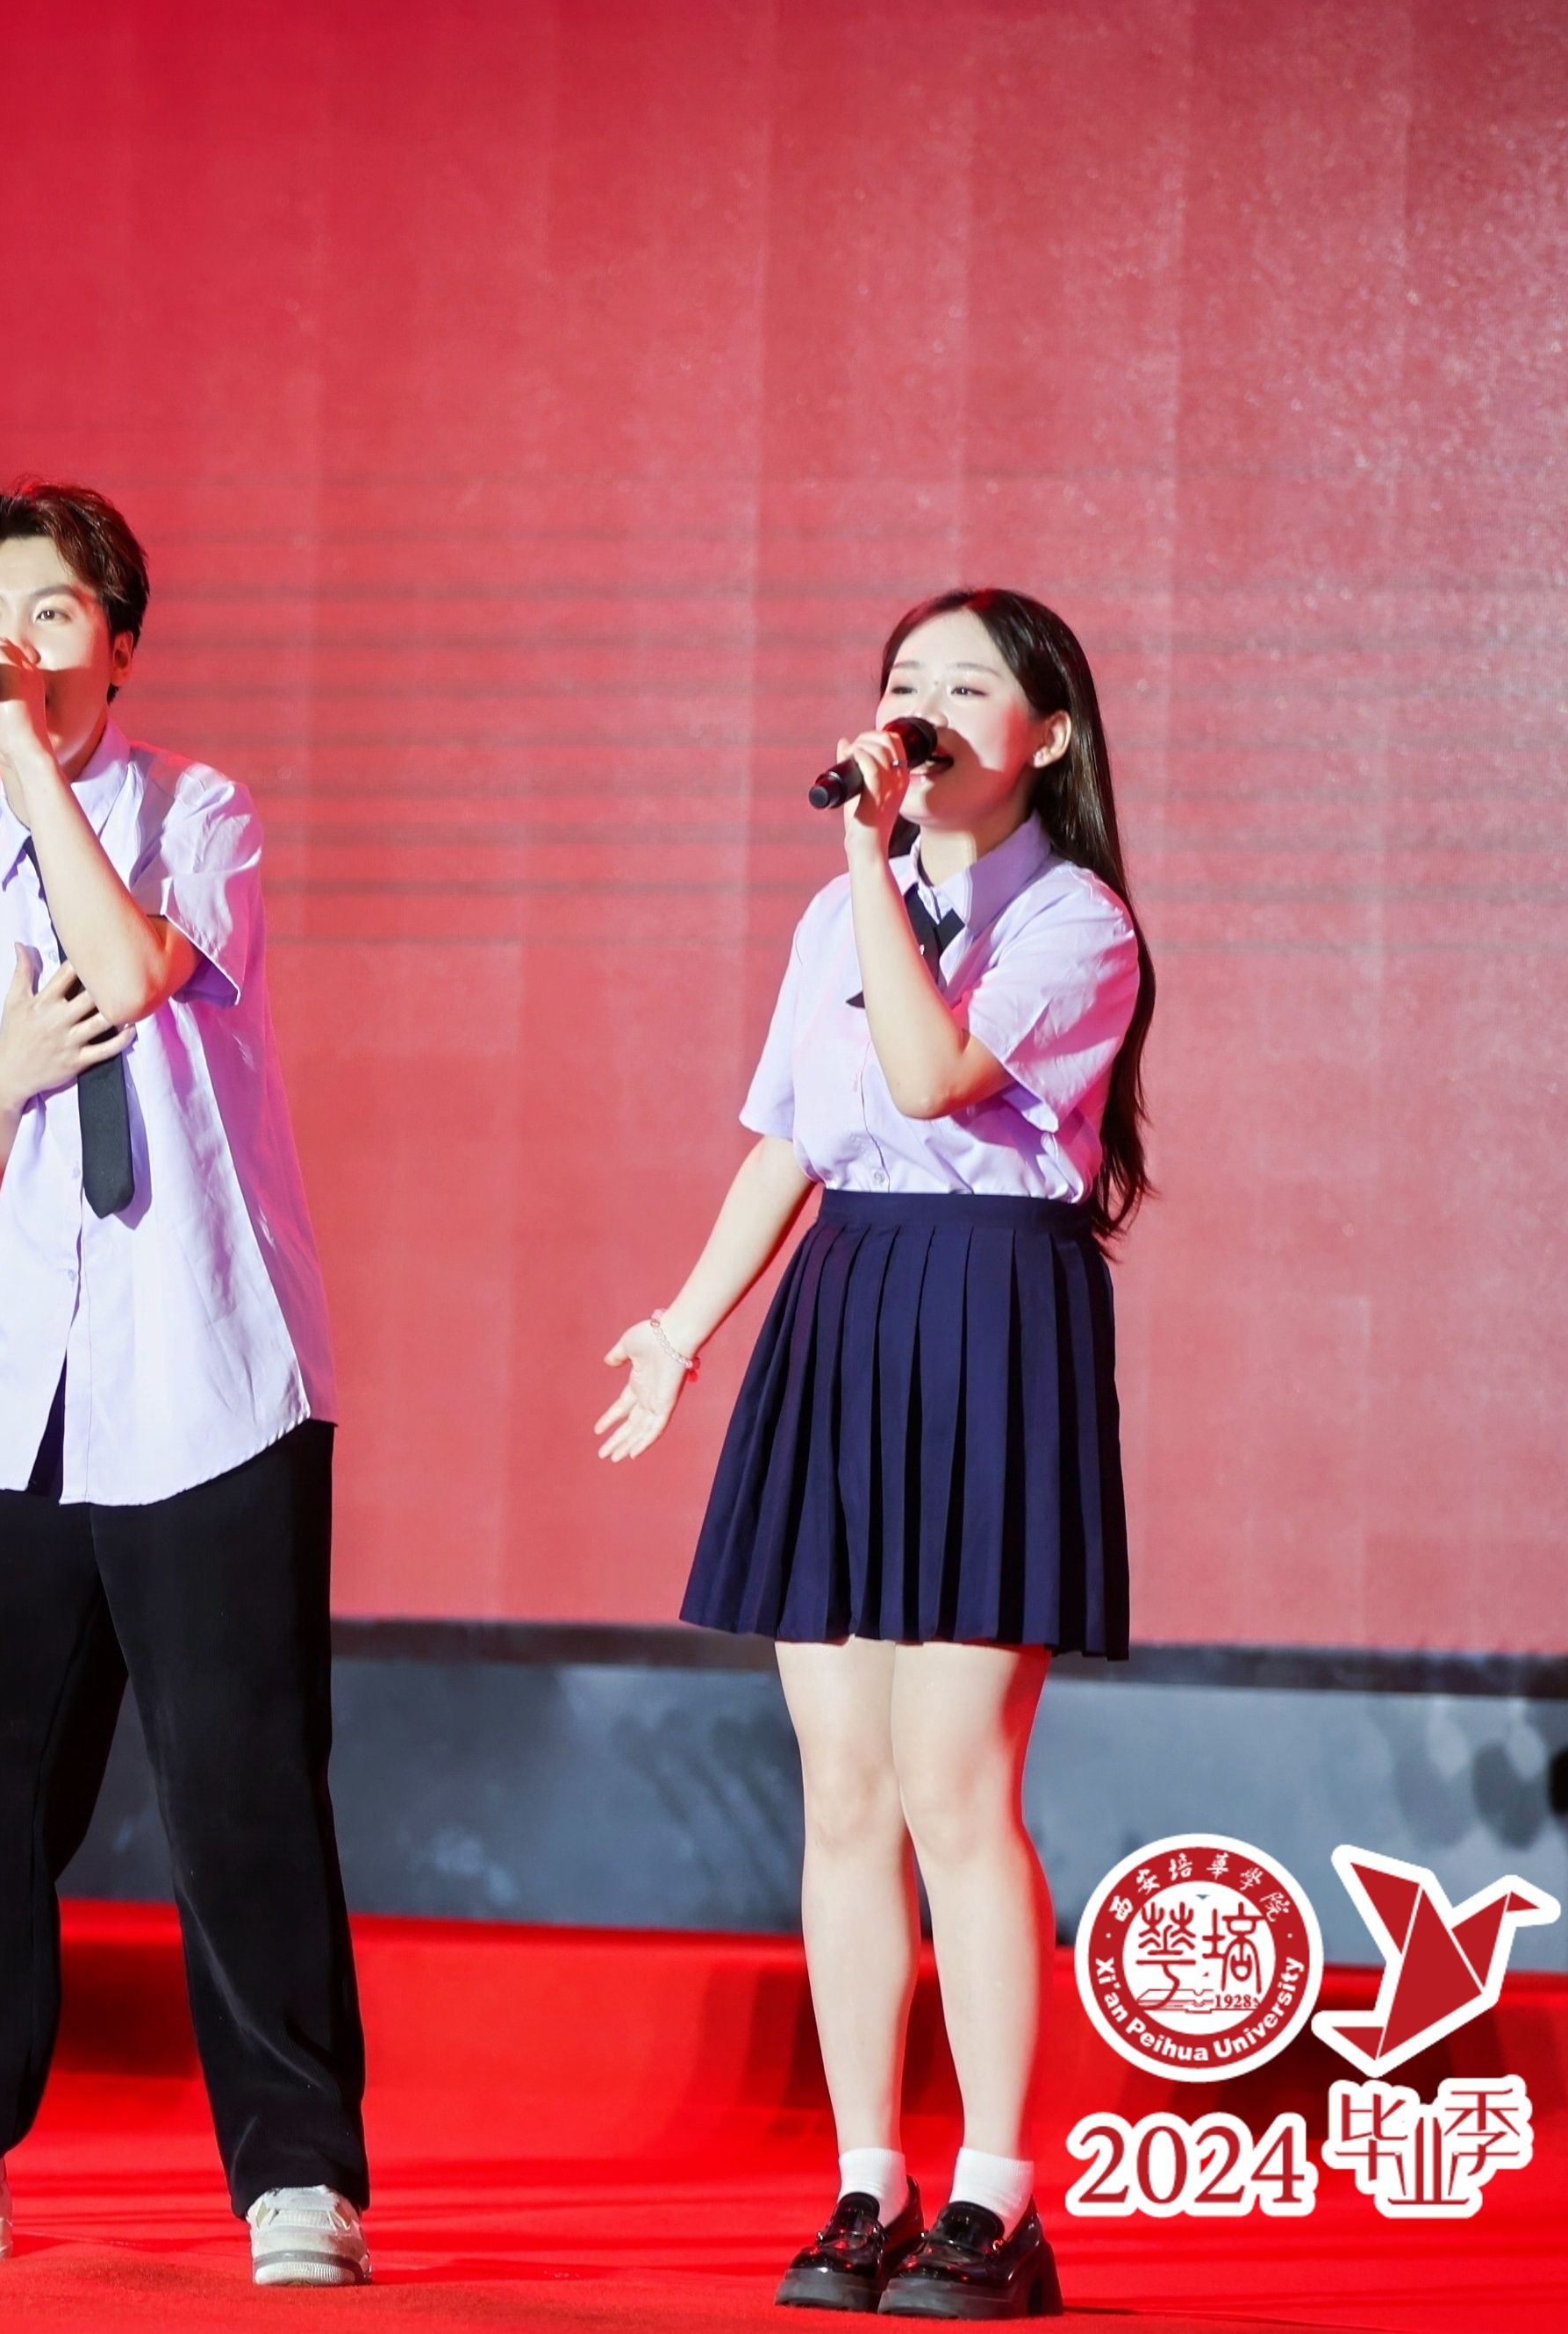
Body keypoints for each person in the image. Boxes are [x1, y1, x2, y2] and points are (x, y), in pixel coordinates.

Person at [0, 482, 368, 2289]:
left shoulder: (197, 811)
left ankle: (296, 2176)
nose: (12, 643)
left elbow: (133, 969)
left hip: (207, 1360)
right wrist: (10, 1073)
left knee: (238, 1778)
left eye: (49, 611)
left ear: (116, 641)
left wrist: (30, 765)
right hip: (29, 1372)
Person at [597, 587, 1151, 2319]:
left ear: (1045, 736)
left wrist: (864, 865)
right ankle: (865, 2180)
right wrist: (681, 1328)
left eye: (964, 688)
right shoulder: (839, 911)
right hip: (842, 1313)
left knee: (950, 1781)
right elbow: (791, 1139)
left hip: (988, 1315)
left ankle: (995, 2196)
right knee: (840, 1786)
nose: (919, 710)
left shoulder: (1075, 921)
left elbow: (924, 1078)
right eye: (904, 681)